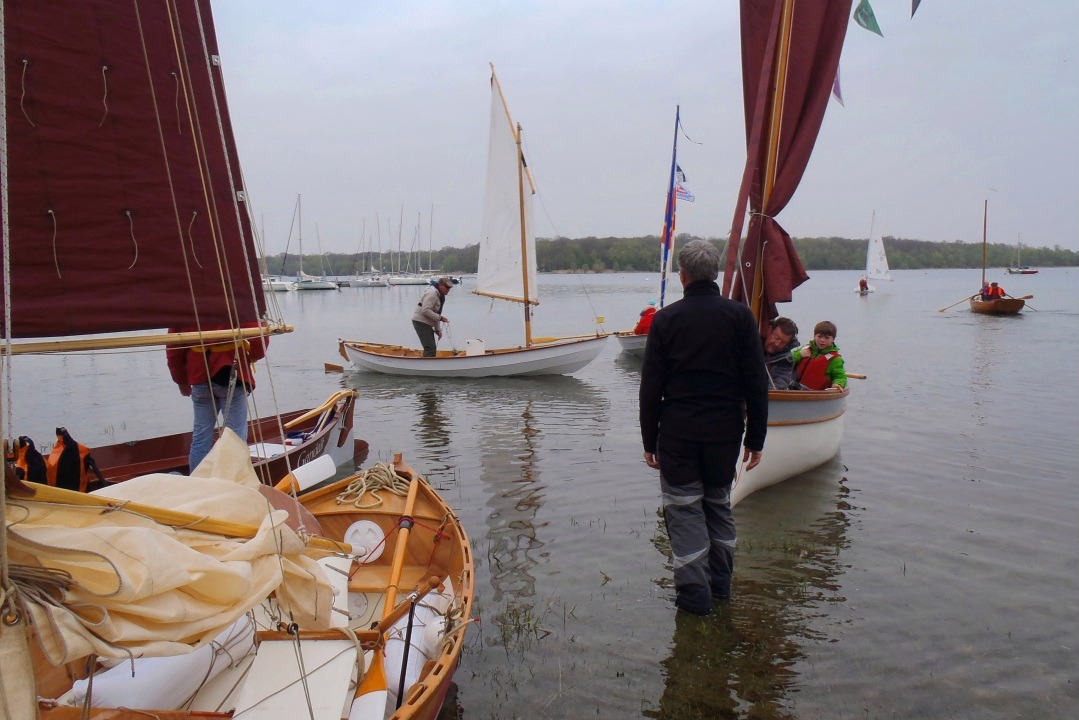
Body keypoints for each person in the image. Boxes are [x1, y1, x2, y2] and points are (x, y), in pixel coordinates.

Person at [639, 239, 769, 616]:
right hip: (725, 433)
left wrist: (650, 439)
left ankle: (696, 601)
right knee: (717, 506)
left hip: (678, 434)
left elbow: (651, 387)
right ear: (716, 273)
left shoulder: (667, 320)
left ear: (683, 275)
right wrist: (755, 438)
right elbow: (756, 385)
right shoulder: (740, 317)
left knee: (683, 511)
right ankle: (721, 588)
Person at [167, 325, 267, 470]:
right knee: (235, 437)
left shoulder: (184, 307)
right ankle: (234, 482)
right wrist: (253, 356)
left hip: (199, 376)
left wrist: (181, 380)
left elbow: (173, 351)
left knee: (201, 438)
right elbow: (259, 335)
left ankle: (198, 483)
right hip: (233, 372)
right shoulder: (232, 303)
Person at [791, 320, 846, 391]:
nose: (822, 340)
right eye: (819, 336)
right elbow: (787, 361)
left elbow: (840, 376)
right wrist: (799, 354)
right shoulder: (805, 349)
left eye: (827, 338)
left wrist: (838, 384)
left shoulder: (835, 359)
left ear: (833, 339)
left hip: (817, 394)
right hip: (795, 390)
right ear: (814, 336)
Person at [412, 277, 453, 357]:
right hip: (420, 321)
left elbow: (436, 313)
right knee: (430, 348)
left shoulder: (441, 296)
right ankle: (426, 367)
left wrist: (437, 330)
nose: (448, 290)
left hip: (427, 322)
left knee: (431, 347)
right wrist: (441, 318)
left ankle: (428, 364)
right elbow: (425, 310)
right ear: (440, 286)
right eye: (447, 288)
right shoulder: (432, 293)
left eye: (450, 288)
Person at [763, 316, 800, 390]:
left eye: (783, 342)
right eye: (776, 338)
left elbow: (781, 381)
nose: (777, 344)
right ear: (769, 330)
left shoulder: (785, 360)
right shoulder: (752, 343)